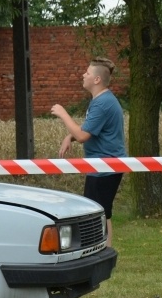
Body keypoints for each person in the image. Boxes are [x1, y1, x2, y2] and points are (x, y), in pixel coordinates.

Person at [51, 57, 126, 246]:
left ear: (97, 80)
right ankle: (102, 248)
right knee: (100, 210)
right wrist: (70, 137)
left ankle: (104, 249)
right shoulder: (102, 100)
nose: (83, 75)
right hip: (101, 166)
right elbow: (91, 130)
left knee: (100, 211)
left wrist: (63, 113)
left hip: (106, 166)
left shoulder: (103, 103)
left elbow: (84, 135)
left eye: (87, 73)